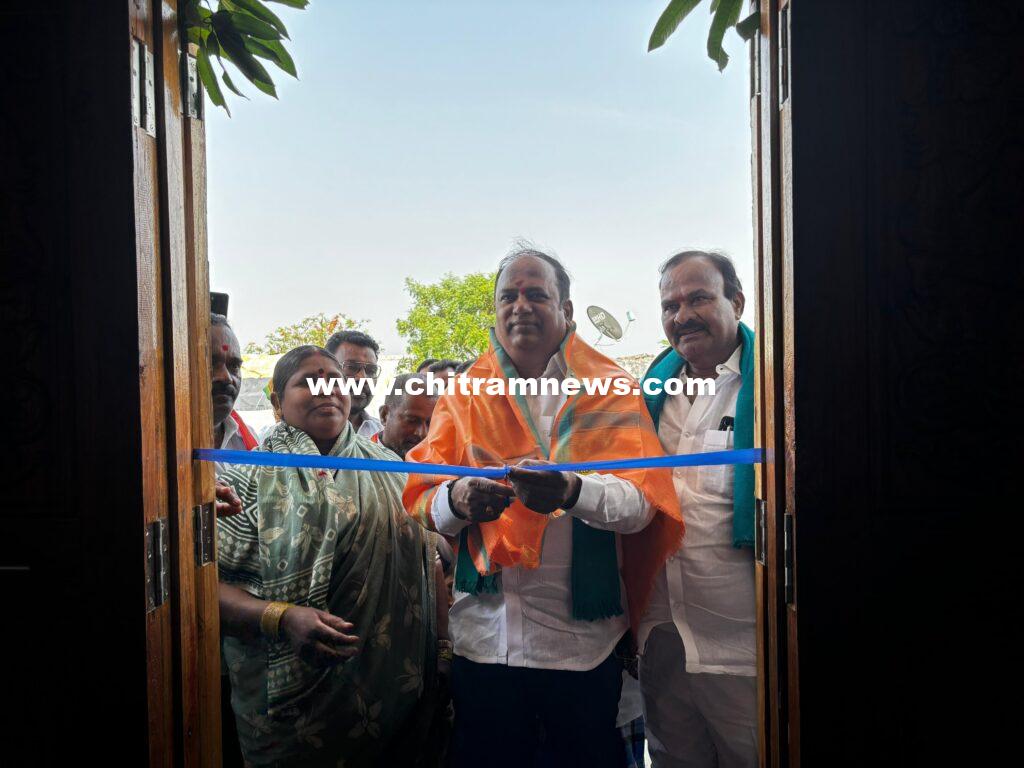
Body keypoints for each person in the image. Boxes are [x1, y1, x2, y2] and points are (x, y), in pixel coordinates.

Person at [403, 245, 684, 768]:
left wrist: (573, 493)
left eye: (536, 294)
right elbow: (420, 495)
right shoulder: (463, 394)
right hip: (483, 642)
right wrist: (457, 500)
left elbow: (642, 505)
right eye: (508, 296)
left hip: (580, 649)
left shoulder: (611, 388)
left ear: (566, 309)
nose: (520, 306)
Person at [217, 345, 449, 767]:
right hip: (290, 718)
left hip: (392, 695)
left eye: (336, 381)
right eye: (309, 381)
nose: (327, 390)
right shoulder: (244, 479)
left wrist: (444, 650)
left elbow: (426, 559)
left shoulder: (391, 469)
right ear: (277, 401)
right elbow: (207, 590)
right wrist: (282, 618)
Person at [638, 250, 757, 768]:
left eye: (698, 299)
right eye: (670, 306)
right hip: (661, 638)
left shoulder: (773, 382)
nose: (682, 315)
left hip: (745, 643)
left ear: (737, 302)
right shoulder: (648, 395)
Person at [325, 329, 383, 438]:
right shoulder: (299, 435)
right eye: (351, 367)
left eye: (371, 370)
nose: (363, 378)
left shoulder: (384, 435)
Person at [374, 373, 438, 458]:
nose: (422, 433)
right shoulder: (359, 457)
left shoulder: (439, 461)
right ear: (384, 415)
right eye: (412, 421)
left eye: (429, 423)